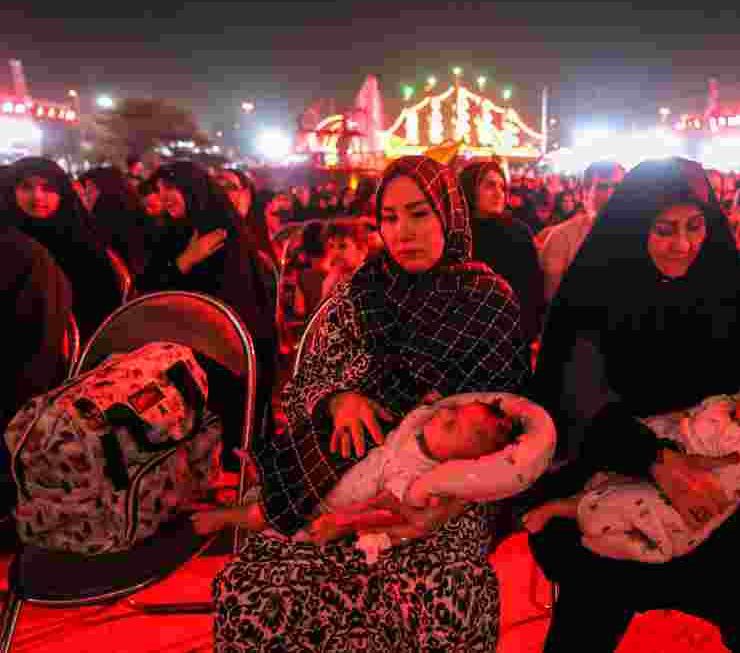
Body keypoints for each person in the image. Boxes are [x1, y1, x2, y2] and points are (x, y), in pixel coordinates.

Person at [212, 156, 532, 652]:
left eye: (420, 213)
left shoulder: (488, 300)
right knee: (259, 588)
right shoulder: (361, 292)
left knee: (438, 592)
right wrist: (339, 401)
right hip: (335, 475)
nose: (403, 231)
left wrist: (430, 477)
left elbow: (507, 421)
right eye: (390, 217)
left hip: (445, 490)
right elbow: (301, 390)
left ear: (449, 214)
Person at [523, 158, 740, 652]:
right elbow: (582, 400)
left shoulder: (728, 288)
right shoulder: (594, 289)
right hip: (609, 472)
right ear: (635, 227)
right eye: (665, 230)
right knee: (591, 599)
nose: (683, 245)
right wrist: (657, 460)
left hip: (718, 478)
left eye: (696, 227)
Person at [524, 379, 740, 563]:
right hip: (635, 456)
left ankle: (610, 531)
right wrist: (663, 455)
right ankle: (569, 508)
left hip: (693, 507)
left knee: (654, 530)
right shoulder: (722, 410)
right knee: (615, 497)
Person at [193, 398, 521, 542]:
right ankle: (261, 469)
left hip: (330, 503)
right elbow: (427, 410)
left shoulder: (422, 478)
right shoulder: (416, 427)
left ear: (466, 459)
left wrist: (345, 522)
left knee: (268, 514)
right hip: (334, 469)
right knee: (298, 451)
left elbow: (385, 511)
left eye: (455, 428)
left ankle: (223, 517)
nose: (446, 416)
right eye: (454, 411)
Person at [134, 161, 278, 465]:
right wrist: (185, 261)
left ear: (193, 189)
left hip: (222, 349)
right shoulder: (171, 232)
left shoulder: (221, 231)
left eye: (172, 188)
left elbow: (226, 306)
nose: (165, 196)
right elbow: (146, 292)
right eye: (160, 190)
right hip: (172, 342)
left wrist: (179, 272)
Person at [0, 158, 122, 340]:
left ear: (63, 194)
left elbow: (101, 310)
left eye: (48, 188)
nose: (37, 196)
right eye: (26, 187)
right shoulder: (6, 238)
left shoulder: (82, 246)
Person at [459, 160, 546, 343]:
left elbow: (532, 288)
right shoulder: (457, 233)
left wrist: (529, 333)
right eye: (490, 185)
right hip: (464, 334)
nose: (499, 193)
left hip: (512, 334)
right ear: (470, 188)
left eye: (502, 187)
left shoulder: (518, 232)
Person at [536, 161, 625, 302]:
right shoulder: (561, 237)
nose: (612, 193)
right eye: (602, 187)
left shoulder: (640, 234)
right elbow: (552, 301)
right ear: (585, 192)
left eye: (618, 186)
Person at [294, 219, 368, 316]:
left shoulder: (369, 279)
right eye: (331, 246)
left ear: (362, 248)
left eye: (343, 246)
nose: (335, 253)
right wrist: (327, 293)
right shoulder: (333, 279)